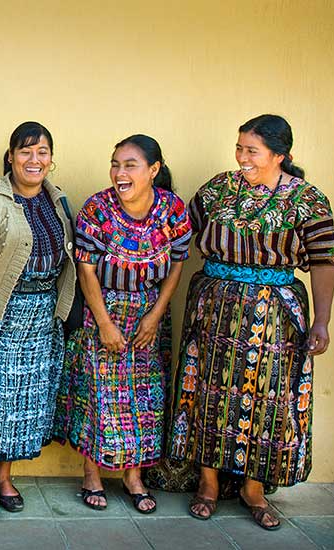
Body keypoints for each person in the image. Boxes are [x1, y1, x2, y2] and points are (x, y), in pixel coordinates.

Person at [167, 114, 334, 530]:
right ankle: (207, 484)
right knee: (207, 391)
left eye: (252, 150)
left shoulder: (306, 199)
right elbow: (177, 228)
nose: (242, 157)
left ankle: (254, 489)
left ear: (281, 155)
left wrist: (321, 321)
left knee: (268, 399)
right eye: (239, 147)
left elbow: (323, 260)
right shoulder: (219, 189)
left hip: (276, 316)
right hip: (215, 308)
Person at [53, 135, 191, 514]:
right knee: (100, 395)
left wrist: (156, 314)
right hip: (104, 309)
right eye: (116, 164)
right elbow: (86, 268)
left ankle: (134, 477)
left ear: (154, 170)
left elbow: (177, 262)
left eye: (130, 164)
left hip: (148, 312)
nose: (120, 172)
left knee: (145, 398)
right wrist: (104, 323)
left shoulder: (172, 209)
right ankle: (92, 474)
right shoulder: (98, 208)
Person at [0, 121, 76, 525]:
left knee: (22, 405)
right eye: (25, 151)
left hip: (40, 315)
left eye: (41, 152)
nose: (34, 159)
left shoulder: (58, 201)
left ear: (51, 159)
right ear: (10, 157)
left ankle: (6, 479)